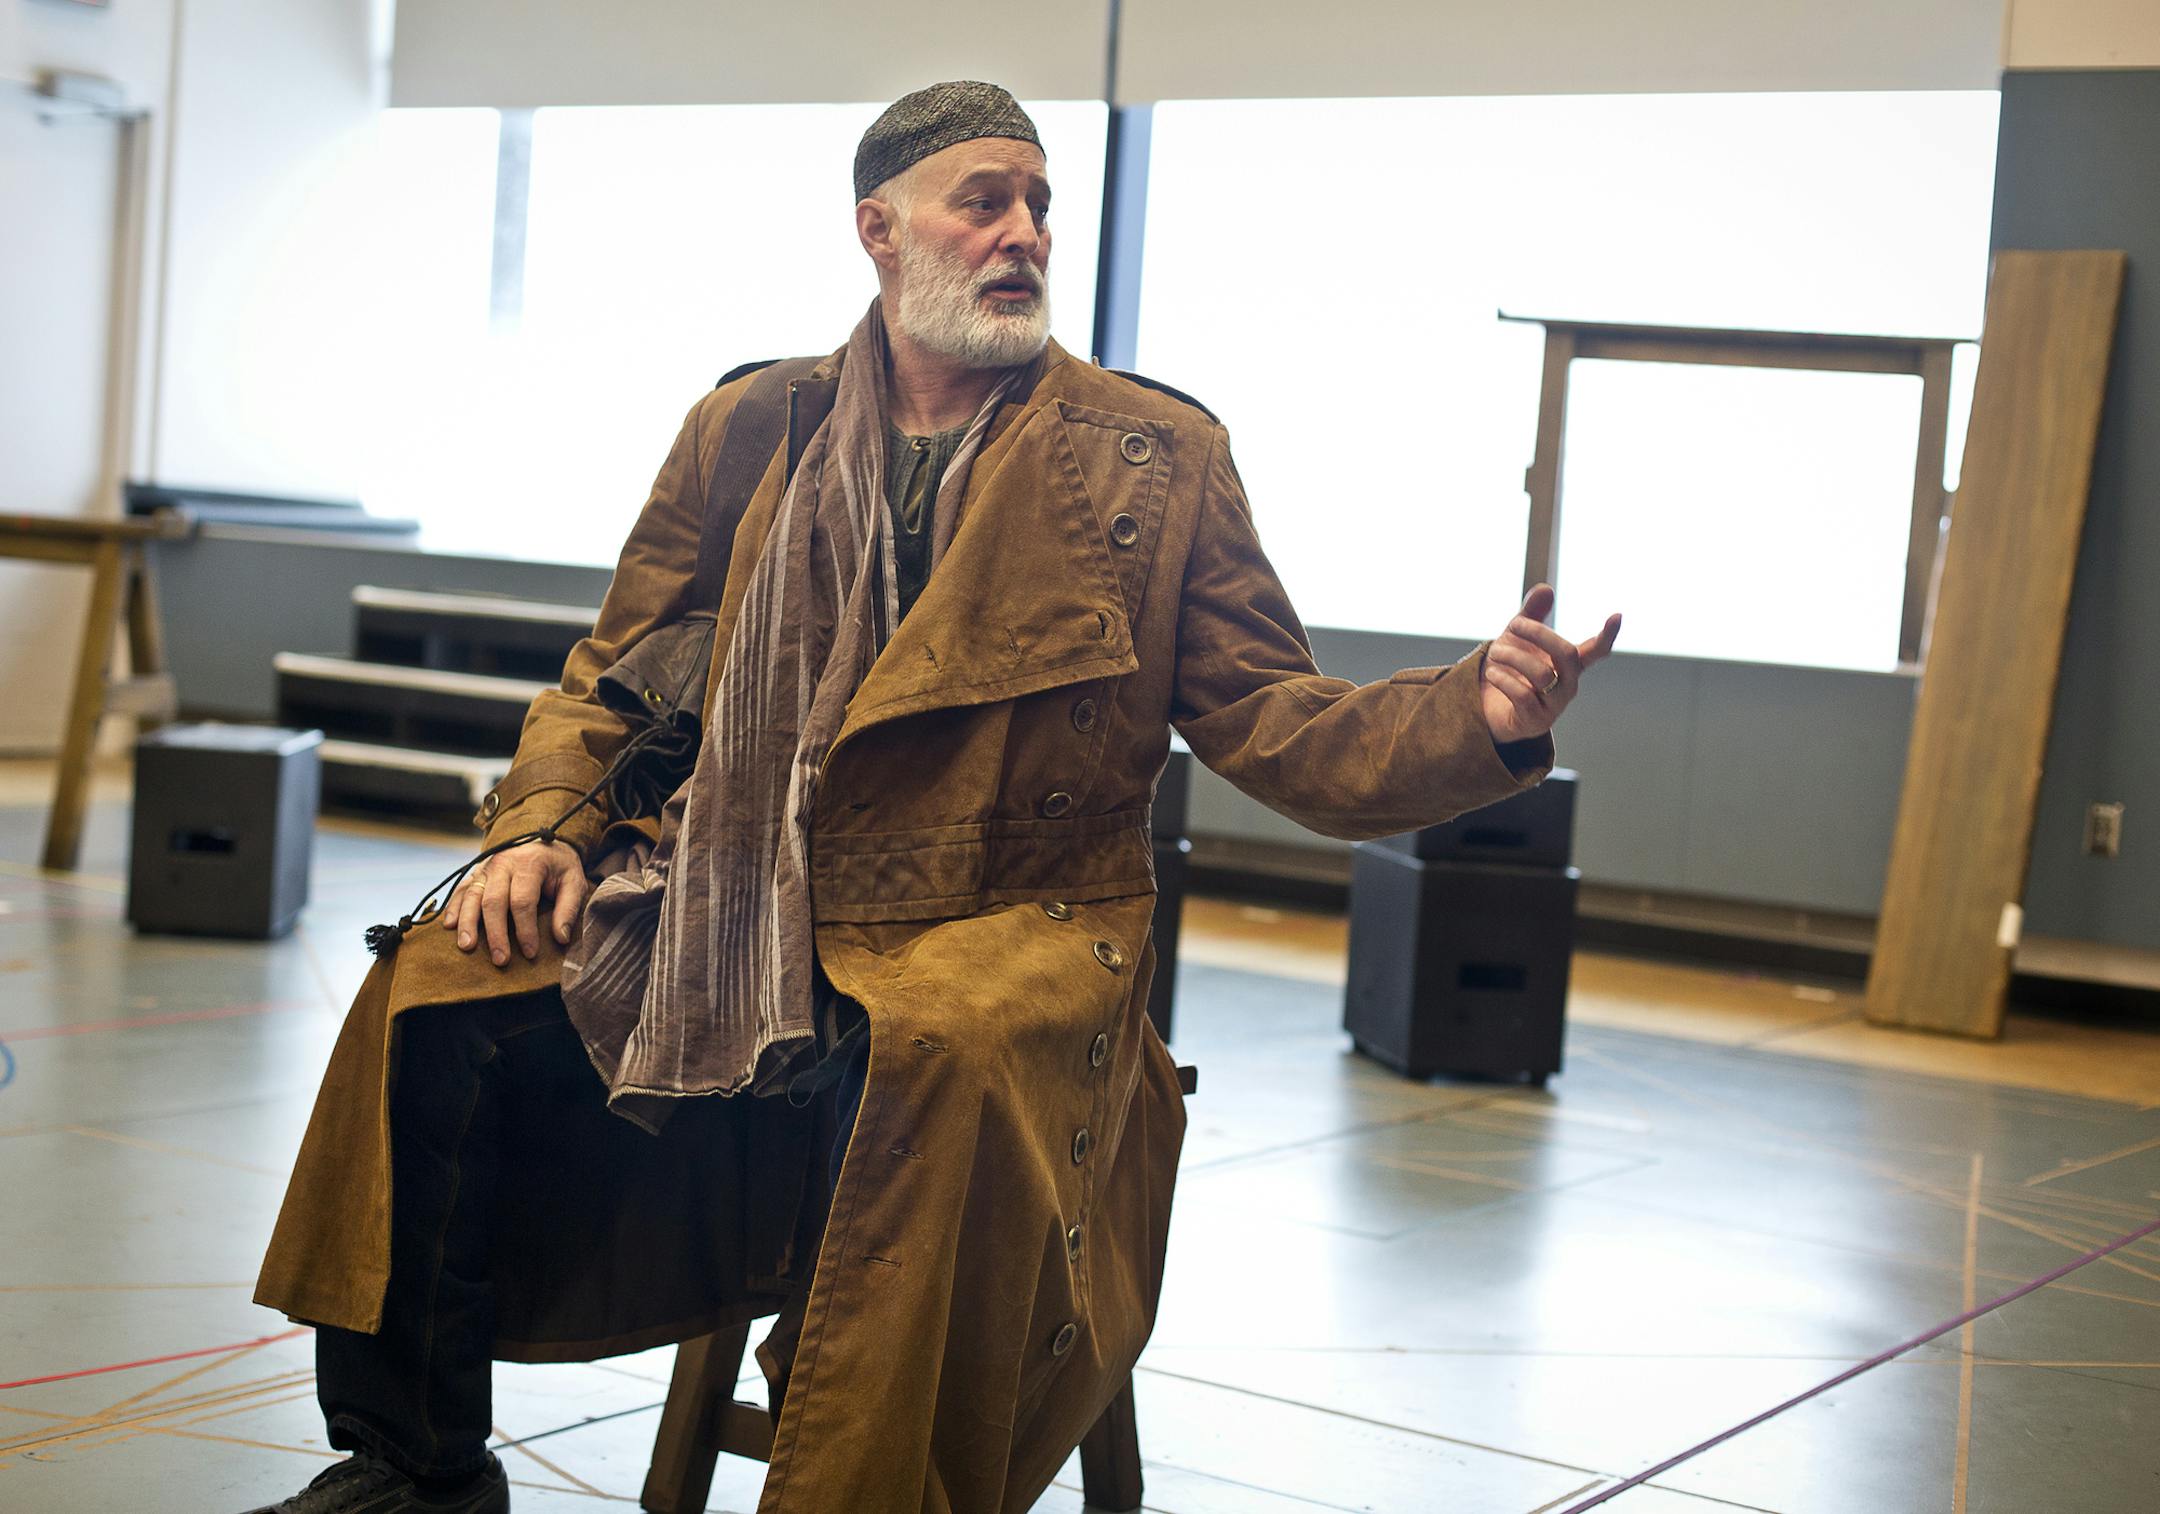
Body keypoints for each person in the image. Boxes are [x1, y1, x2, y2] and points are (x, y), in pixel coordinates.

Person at [244, 80, 1622, 1514]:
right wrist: (538, 830)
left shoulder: (1156, 460)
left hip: (1008, 921)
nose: (1024, 232)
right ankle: (416, 1467)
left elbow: (1282, 724)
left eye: (1040, 206)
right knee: (440, 977)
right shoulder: (747, 429)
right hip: (736, 891)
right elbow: (618, 676)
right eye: (985, 200)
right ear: (880, 231)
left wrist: (1476, 710)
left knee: (939, 1044)